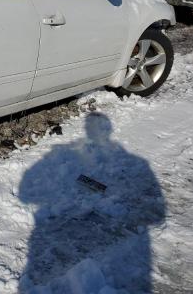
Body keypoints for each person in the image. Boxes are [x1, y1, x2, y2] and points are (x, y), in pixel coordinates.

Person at [18, 112, 166, 293]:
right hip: (91, 181)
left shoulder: (110, 153)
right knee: (91, 179)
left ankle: (95, 184)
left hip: (96, 183)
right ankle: (94, 184)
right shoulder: (89, 151)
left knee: (96, 181)